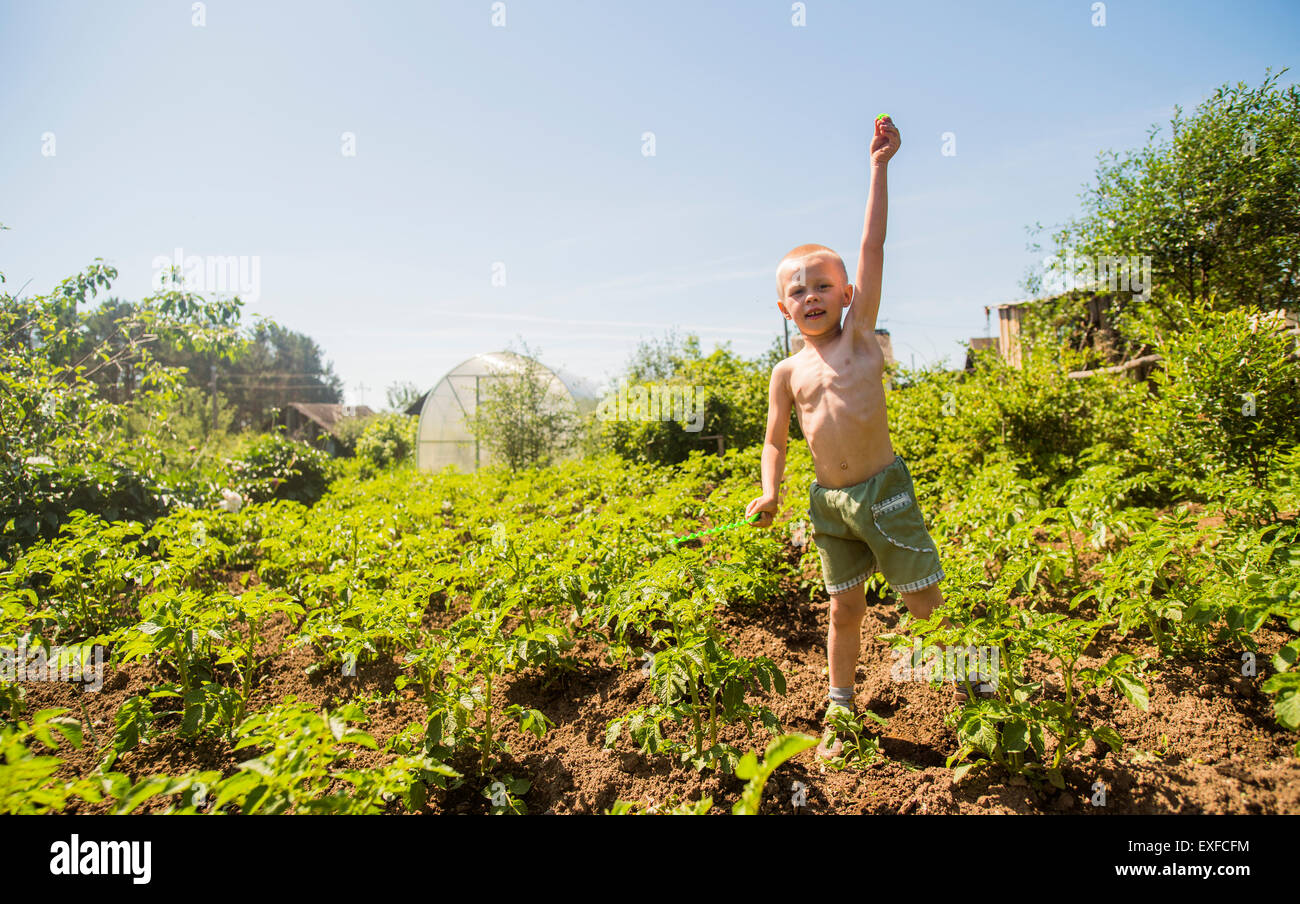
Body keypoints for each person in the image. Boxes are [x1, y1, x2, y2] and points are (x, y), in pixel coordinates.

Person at [745, 115, 952, 758]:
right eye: (797, 291)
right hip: (829, 507)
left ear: (848, 295)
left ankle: (979, 686)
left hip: (882, 494)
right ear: (784, 308)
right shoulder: (787, 372)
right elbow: (776, 440)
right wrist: (770, 492)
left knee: (924, 606)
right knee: (843, 609)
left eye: (823, 286)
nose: (811, 296)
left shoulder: (860, 337)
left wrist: (879, 167)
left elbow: (874, 242)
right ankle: (841, 708)